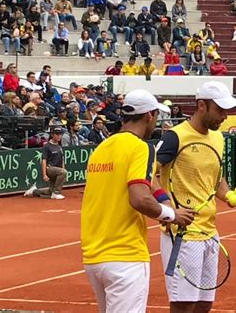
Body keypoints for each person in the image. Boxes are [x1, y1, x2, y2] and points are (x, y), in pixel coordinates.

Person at [81, 89, 195, 313]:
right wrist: (172, 215)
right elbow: (140, 199)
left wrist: (164, 202)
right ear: (149, 115)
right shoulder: (141, 147)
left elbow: (148, 182)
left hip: (94, 258)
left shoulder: (102, 148)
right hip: (125, 256)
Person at [157, 81, 236, 312]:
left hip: (210, 232)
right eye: (220, 110)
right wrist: (167, 208)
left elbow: (216, 180)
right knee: (184, 304)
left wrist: (229, 195)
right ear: (202, 106)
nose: (224, 116)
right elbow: (148, 174)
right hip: (183, 235)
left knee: (205, 304)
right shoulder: (175, 137)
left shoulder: (218, 138)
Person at [23, 127, 67, 199]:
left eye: (60, 134)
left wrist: (63, 170)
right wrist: (44, 174)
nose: (59, 136)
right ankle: (56, 193)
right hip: (50, 168)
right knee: (63, 172)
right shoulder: (47, 146)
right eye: (57, 134)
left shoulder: (59, 147)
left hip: (58, 170)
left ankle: (34, 191)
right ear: (52, 135)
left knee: (50, 191)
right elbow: (43, 160)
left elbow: (62, 160)